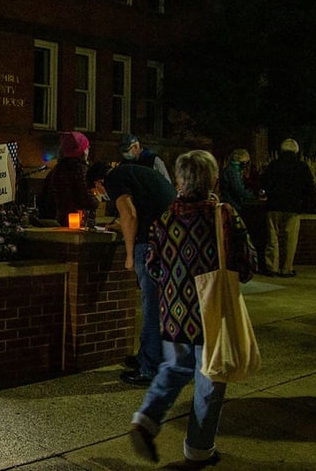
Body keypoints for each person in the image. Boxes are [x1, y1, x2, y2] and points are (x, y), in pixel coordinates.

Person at [129, 150, 257, 466]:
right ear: (213, 179)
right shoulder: (225, 215)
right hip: (211, 312)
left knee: (174, 368)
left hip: (174, 312)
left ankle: (146, 419)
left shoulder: (164, 219)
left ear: (179, 181)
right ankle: (199, 450)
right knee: (210, 380)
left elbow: (154, 267)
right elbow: (248, 263)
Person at [86, 161, 177, 385]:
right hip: (171, 239)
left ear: (99, 182)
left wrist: (128, 256)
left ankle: (148, 369)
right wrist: (122, 226)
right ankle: (149, 357)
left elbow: (130, 215)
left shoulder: (115, 178)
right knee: (160, 306)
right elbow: (142, 209)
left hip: (151, 244)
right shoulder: (135, 171)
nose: (100, 195)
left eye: (97, 191)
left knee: (150, 307)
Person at [260, 138, 316, 278]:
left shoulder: (273, 165)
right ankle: (286, 268)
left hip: (274, 206)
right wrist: (307, 205)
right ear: (296, 151)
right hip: (293, 207)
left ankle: (272, 266)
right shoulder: (302, 167)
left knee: (273, 238)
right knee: (290, 239)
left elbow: (264, 182)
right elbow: (309, 188)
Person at [49, 131, 99, 227]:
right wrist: (96, 201)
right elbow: (85, 195)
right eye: (87, 148)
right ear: (82, 151)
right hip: (82, 220)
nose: (88, 151)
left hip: (63, 218)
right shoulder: (80, 169)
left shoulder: (58, 169)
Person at [219, 148, 256, 213]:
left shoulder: (230, 169)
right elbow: (238, 189)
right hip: (233, 205)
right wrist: (253, 196)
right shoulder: (233, 171)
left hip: (231, 203)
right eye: (246, 162)